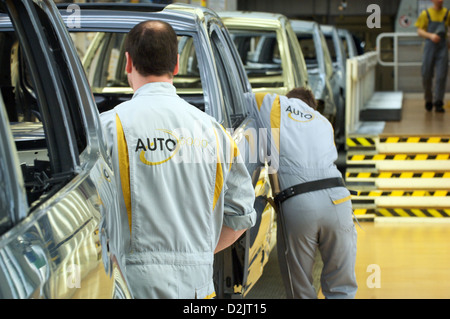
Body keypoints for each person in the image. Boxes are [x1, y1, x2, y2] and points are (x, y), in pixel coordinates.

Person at [100, 20, 256, 299]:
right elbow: (241, 216)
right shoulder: (215, 133)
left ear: (127, 62)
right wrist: (196, 255)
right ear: (176, 65)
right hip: (196, 290)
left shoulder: (107, 129)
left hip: (130, 288)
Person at [253, 88, 357, 299]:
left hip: (299, 202)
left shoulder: (273, 104)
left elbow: (242, 95)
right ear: (312, 106)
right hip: (339, 200)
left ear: (287, 98)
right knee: (341, 285)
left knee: (300, 287)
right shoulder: (323, 122)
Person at [415, 0, 450, 113]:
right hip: (429, 46)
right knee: (426, 74)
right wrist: (430, 36)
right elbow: (419, 31)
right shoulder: (426, 14)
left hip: (442, 47)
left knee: (441, 75)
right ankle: (428, 99)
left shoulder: (447, 13)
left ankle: (439, 101)